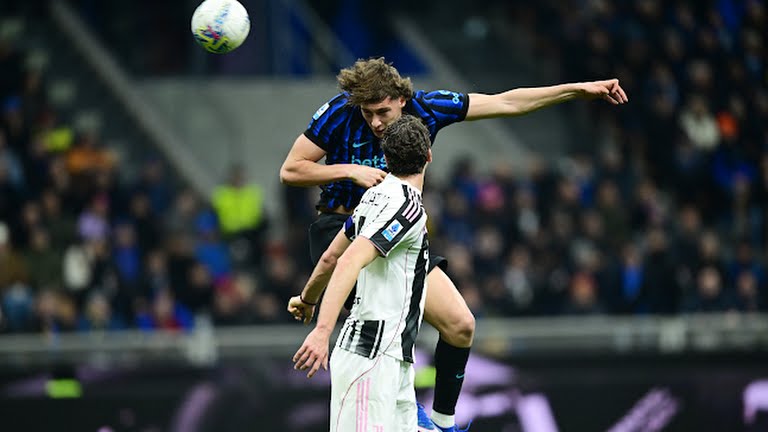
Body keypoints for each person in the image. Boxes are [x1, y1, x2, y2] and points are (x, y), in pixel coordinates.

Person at [282, 57, 628, 431]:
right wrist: (350, 170)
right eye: (369, 114)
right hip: (343, 225)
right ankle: (392, 400)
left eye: (383, 112)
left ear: (401, 99)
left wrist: (577, 90)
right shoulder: (340, 112)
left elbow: (507, 102)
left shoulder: (428, 109)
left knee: (460, 325)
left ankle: (441, 423)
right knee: (381, 325)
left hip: (395, 233)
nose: (376, 122)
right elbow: (292, 170)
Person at [291, 115, 433, 431]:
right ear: (428, 156)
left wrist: (307, 298)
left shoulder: (373, 196)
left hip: (394, 357)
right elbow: (347, 262)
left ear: (386, 159)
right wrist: (322, 331)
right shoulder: (407, 207)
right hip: (371, 355)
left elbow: (330, 256)